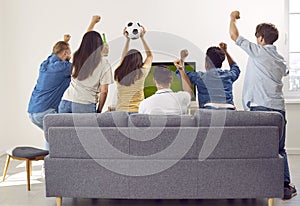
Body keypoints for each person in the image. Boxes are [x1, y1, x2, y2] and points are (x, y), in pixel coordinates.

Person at [229, 11, 297, 200]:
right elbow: (285, 71)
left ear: (260, 38)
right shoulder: (280, 60)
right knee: (279, 149)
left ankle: (256, 183)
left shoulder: (258, 51)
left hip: (260, 108)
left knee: (257, 148)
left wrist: (232, 18)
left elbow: (234, 36)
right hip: (279, 109)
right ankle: (285, 185)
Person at [59, 15, 113, 113]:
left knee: (63, 129)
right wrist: (99, 110)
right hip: (85, 104)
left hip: (66, 101)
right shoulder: (104, 64)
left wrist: (93, 23)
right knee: (86, 129)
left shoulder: (77, 55)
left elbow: (87, 40)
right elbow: (104, 91)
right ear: (100, 45)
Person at [27, 34, 72, 150]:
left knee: (52, 135)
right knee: (63, 134)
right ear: (65, 54)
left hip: (32, 112)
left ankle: (48, 164)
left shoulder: (45, 64)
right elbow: (82, 62)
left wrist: (64, 42)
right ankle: (51, 163)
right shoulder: (63, 67)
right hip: (45, 111)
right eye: (69, 53)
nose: (70, 56)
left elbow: (55, 52)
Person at [176, 43, 240, 110]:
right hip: (230, 115)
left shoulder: (200, 77)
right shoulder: (229, 75)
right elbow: (235, 68)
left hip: (208, 116)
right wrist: (225, 51)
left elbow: (181, 74)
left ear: (207, 62)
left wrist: (182, 59)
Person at [114, 26, 153, 113]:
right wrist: (142, 38)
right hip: (137, 112)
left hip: (120, 112)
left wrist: (127, 40)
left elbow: (122, 58)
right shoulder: (142, 73)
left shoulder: (117, 72)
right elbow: (150, 55)